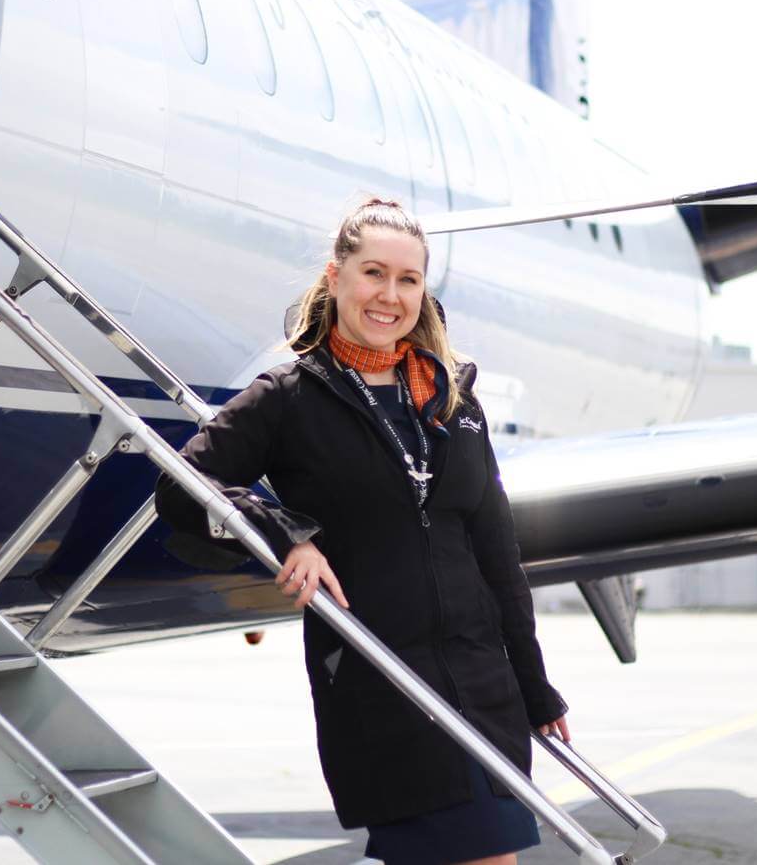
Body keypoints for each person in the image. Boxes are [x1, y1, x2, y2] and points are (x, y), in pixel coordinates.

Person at [155, 197, 569, 865]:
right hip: (384, 683)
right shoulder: (288, 395)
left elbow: (498, 559)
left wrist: (534, 684)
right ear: (336, 277)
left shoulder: (454, 400)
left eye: (408, 279)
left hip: (482, 685)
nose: (390, 294)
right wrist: (288, 531)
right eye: (374, 272)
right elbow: (181, 485)